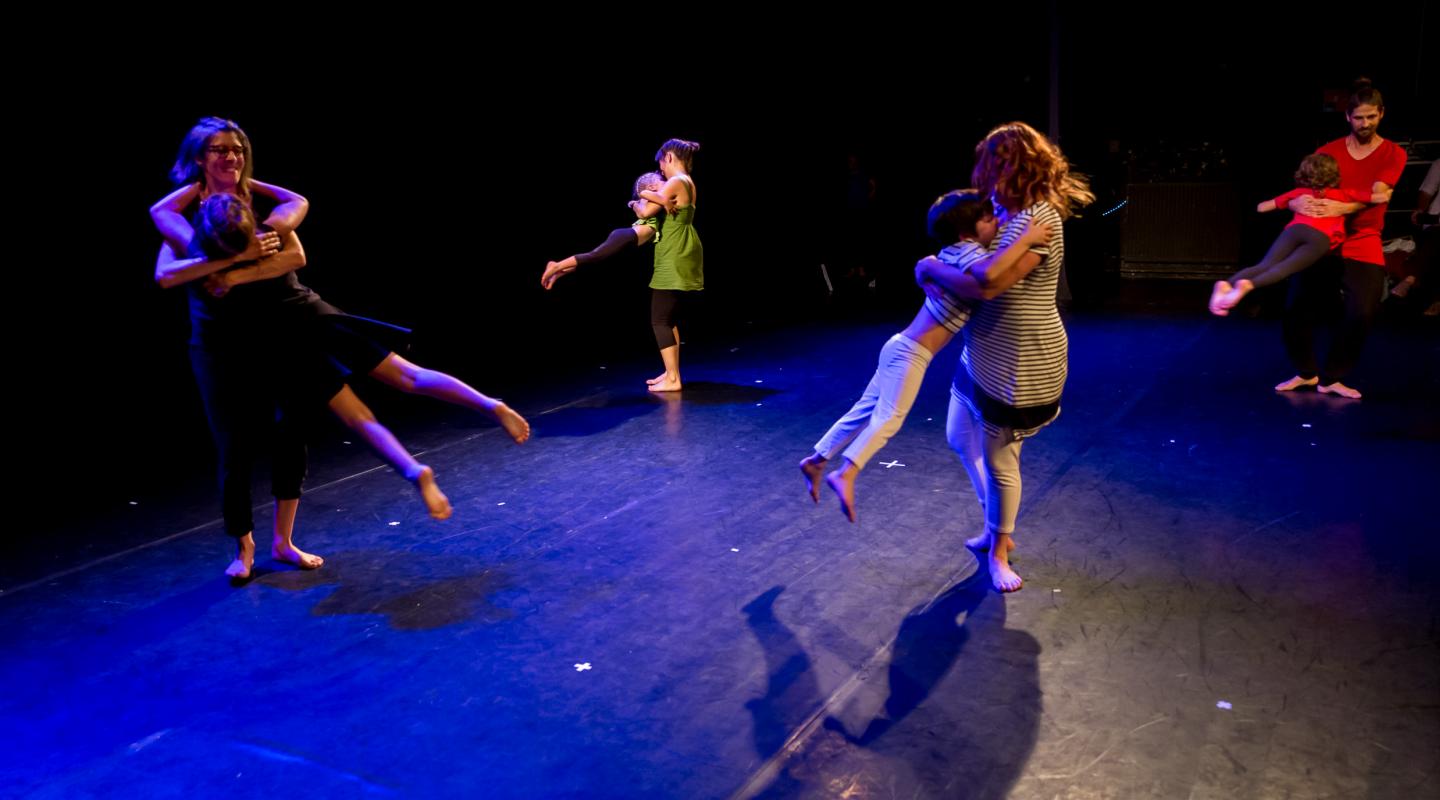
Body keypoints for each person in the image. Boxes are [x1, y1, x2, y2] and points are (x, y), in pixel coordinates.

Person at [800, 189, 1050, 522]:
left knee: (865, 410)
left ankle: (817, 459)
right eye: (989, 220)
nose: (995, 224)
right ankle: (846, 471)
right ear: (967, 232)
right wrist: (1026, 239)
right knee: (889, 418)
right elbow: (991, 275)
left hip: (900, 346)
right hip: (911, 354)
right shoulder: (970, 254)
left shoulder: (952, 252)